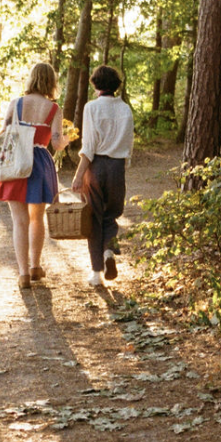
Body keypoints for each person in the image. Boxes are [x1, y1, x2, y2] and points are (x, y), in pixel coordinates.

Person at [0, 61, 68, 289]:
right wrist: (66, 140)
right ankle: (35, 266)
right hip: (40, 163)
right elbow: (57, 144)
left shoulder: (16, 104)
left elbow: (2, 136)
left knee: (19, 220)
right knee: (37, 217)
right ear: (51, 82)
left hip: (16, 162)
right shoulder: (54, 109)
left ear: (31, 79)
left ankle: (23, 274)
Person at [71, 64, 134, 288]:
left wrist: (79, 175)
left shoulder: (91, 108)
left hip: (96, 167)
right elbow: (129, 143)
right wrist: (122, 165)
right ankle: (108, 251)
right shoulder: (125, 109)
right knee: (111, 214)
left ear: (96, 84)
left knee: (94, 217)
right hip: (117, 166)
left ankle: (96, 272)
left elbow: (89, 146)